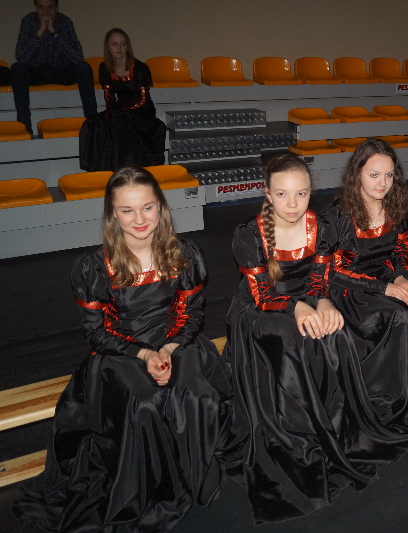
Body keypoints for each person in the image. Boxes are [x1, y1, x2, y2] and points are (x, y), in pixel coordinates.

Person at [13, 167, 233, 532]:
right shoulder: (95, 267)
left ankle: (190, 477)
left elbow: (192, 316)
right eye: (127, 210)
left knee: (195, 393)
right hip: (121, 353)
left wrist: (168, 349)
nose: (139, 218)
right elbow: (97, 334)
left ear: (161, 207)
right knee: (144, 403)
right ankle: (150, 489)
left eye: (147, 207)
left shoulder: (185, 255)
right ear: (113, 214)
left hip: (176, 342)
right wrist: (146, 356)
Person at [223, 154, 408, 523]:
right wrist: (298, 308)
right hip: (262, 310)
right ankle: (296, 435)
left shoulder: (321, 226)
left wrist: (324, 301)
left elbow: (319, 281)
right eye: (282, 194)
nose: (293, 204)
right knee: (294, 339)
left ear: (311, 192)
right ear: (267, 195)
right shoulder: (249, 234)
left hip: (306, 299)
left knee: (335, 333)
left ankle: (333, 427)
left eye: (302, 194)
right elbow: (262, 294)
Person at [324, 138, 408, 426]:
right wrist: (384, 288)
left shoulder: (393, 206)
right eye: (374, 175)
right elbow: (335, 270)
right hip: (349, 287)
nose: (383, 183)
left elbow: (401, 250)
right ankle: (384, 398)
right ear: (357, 174)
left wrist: (401, 276)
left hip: (383, 276)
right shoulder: (338, 214)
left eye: (389, 175)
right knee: (398, 314)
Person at [79, 28, 166, 171]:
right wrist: (111, 112)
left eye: (122, 44)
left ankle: (125, 168)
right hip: (120, 107)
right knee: (93, 123)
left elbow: (143, 99)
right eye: (114, 44)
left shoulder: (140, 68)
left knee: (118, 122)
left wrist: (123, 111)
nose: (119, 48)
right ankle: (100, 169)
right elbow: (109, 97)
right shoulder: (104, 68)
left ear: (127, 46)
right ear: (108, 46)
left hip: (142, 110)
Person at [11, 0, 97, 134]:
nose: (45, 12)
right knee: (17, 68)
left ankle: (93, 123)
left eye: (50, 7)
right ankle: (24, 126)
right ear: (35, 7)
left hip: (61, 71)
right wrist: (40, 31)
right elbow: (21, 56)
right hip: (37, 72)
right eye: (41, 7)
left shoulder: (65, 22)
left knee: (84, 67)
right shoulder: (29, 21)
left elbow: (78, 56)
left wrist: (53, 32)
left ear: (56, 8)